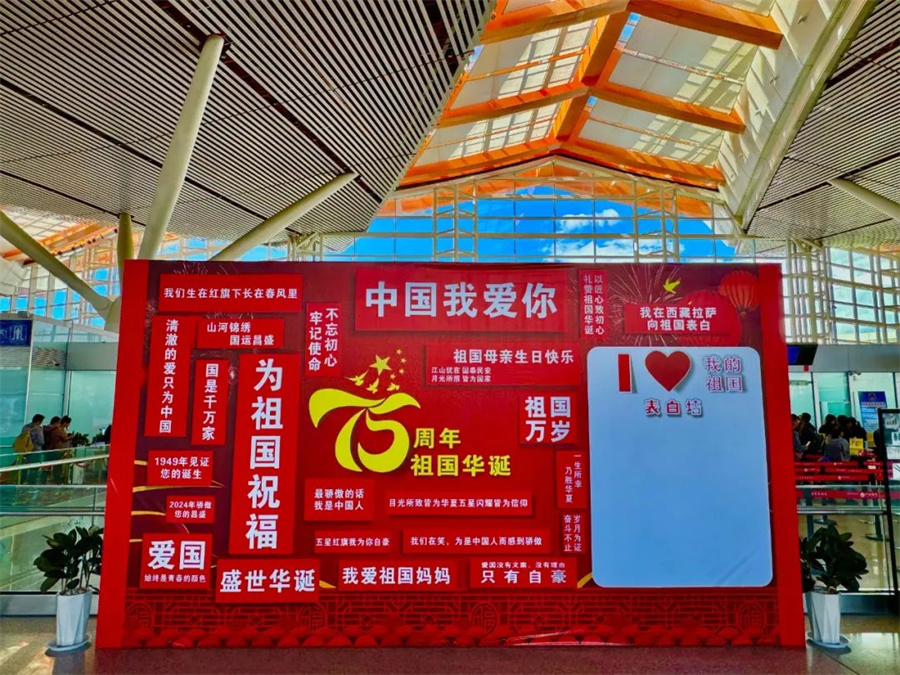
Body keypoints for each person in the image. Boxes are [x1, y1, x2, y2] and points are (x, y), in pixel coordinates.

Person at [18, 414, 45, 484]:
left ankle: (21, 482)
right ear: (39, 421)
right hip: (35, 451)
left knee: (24, 468)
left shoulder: (25, 427)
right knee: (34, 468)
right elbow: (41, 441)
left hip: (25, 450)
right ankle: (31, 483)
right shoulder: (38, 429)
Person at [45, 416, 73, 485]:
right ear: (65, 423)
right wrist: (71, 437)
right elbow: (64, 438)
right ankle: (58, 481)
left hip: (55, 449)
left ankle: (56, 480)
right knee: (57, 467)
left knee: (56, 467)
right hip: (57, 450)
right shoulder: (59, 429)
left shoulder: (58, 429)